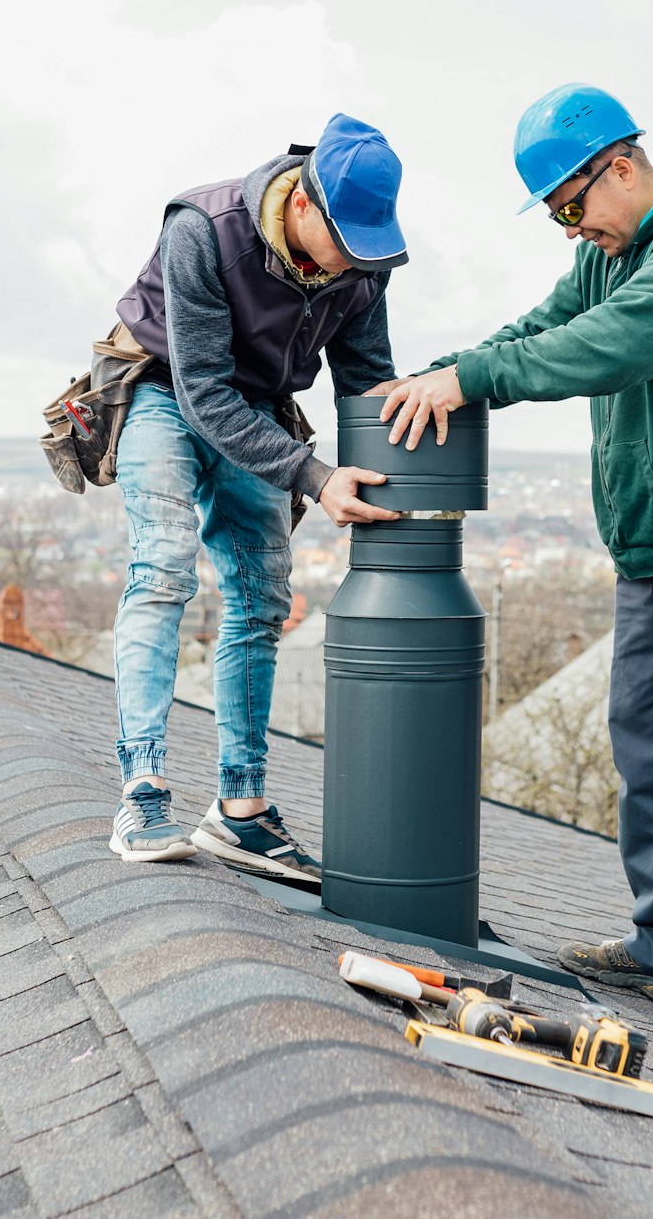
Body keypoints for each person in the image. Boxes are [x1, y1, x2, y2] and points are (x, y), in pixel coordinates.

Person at [377, 85, 653, 1056]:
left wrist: (472, 381)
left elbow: (606, 348)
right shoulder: (604, 254)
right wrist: (435, 374)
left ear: (619, 166)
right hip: (650, 549)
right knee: (649, 756)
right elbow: (535, 331)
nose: (567, 230)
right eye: (555, 217)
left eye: (571, 206)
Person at [107, 113, 403, 881]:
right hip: (166, 390)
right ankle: (142, 790)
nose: (353, 267)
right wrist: (313, 475)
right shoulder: (203, 229)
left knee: (261, 599)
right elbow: (202, 390)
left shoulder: (364, 266)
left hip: (260, 406)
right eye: (346, 246)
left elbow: (366, 382)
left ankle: (240, 808)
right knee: (165, 569)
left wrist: (393, 467)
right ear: (302, 206)